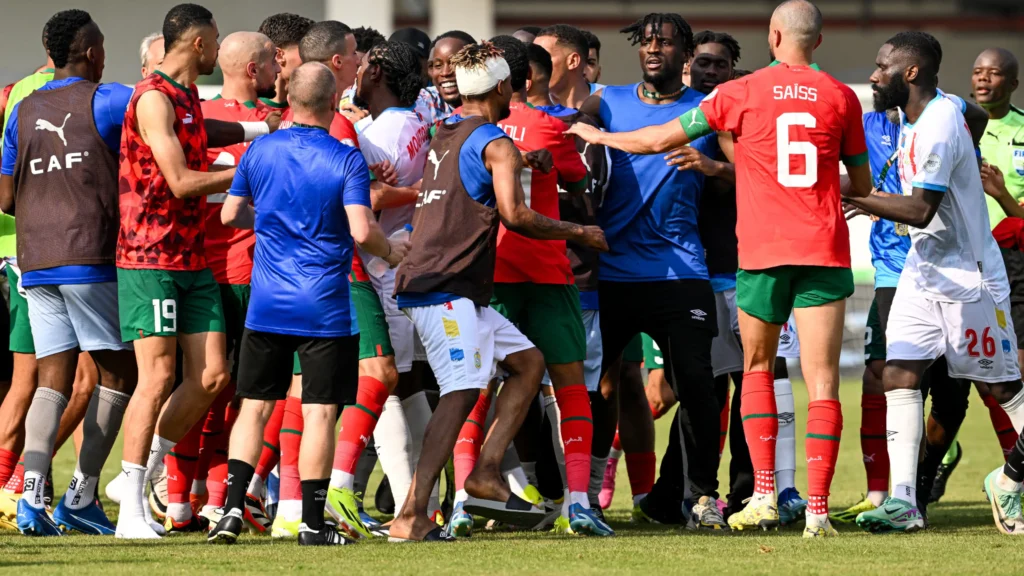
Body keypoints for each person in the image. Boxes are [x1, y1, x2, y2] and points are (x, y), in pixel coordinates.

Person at [567, 1, 875, 537]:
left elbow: (661, 139)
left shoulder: (737, 95)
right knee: (822, 383)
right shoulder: (842, 96)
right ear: (819, 42)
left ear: (773, 35)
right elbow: (863, 186)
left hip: (755, 254)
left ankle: (755, 496)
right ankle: (818, 511)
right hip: (823, 248)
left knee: (749, 371)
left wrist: (602, 139)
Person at [390, 42, 607, 543]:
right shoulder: (495, 143)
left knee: (529, 363)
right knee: (462, 390)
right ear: (504, 87)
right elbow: (516, 215)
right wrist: (580, 233)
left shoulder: (448, 132)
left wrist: (520, 157)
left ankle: (486, 472)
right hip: (444, 289)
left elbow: (476, 167)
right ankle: (411, 514)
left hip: (446, 286)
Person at [206, 62, 407, 547]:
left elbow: (232, 214)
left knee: (253, 406)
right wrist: (392, 251)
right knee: (319, 412)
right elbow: (362, 231)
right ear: (333, 98)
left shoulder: (259, 150)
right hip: (325, 305)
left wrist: (272, 220)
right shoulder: (344, 158)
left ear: (288, 97)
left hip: (268, 303)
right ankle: (314, 526)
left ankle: (229, 513)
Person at [846, 33, 1024, 536]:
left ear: (911, 74)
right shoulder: (932, 113)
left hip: (971, 280)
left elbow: (921, 210)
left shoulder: (940, 125)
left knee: (1003, 387)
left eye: (882, 67)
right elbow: (979, 117)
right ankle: (904, 502)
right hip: (923, 274)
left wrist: (858, 195)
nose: (874, 76)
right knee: (899, 373)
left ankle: (1009, 480)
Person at [563, 12, 733, 531]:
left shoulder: (706, 109)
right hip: (609, 273)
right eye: (647, 42)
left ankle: (701, 497)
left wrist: (713, 168)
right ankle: (583, 495)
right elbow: (567, 144)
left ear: (685, 55)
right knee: (594, 387)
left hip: (681, 271)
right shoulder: (605, 102)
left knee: (700, 386)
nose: (654, 49)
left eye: (666, 43)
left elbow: (743, 174)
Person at [113, 3, 276, 540]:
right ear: (200, 44)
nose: (217, 47)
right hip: (149, 257)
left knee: (211, 377)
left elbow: (213, 126)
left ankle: (145, 470)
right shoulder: (155, 97)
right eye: (215, 39)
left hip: (190, 257)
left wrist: (261, 128)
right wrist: (241, 173)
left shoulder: (186, 98)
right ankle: (133, 509)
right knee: (157, 377)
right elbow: (182, 181)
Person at [0, 9, 137, 537]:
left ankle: (32, 493)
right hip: (89, 255)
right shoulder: (107, 99)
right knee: (119, 372)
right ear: (92, 53)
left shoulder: (23, 108)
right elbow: (162, 120)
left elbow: (7, 197)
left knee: (50, 378)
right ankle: (81, 494)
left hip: (35, 261)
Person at [324, 39, 428, 539]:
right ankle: (414, 501)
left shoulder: (380, 131)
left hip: (374, 267)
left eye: (364, 66)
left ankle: (404, 501)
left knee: (382, 384)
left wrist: (383, 188)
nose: (356, 75)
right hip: (389, 266)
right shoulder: (414, 122)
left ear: (379, 73)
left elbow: (363, 198)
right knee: (390, 383)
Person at [427, 30, 475, 111]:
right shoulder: (423, 106)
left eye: (455, 63)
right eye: (438, 65)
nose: (445, 72)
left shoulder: (493, 114)